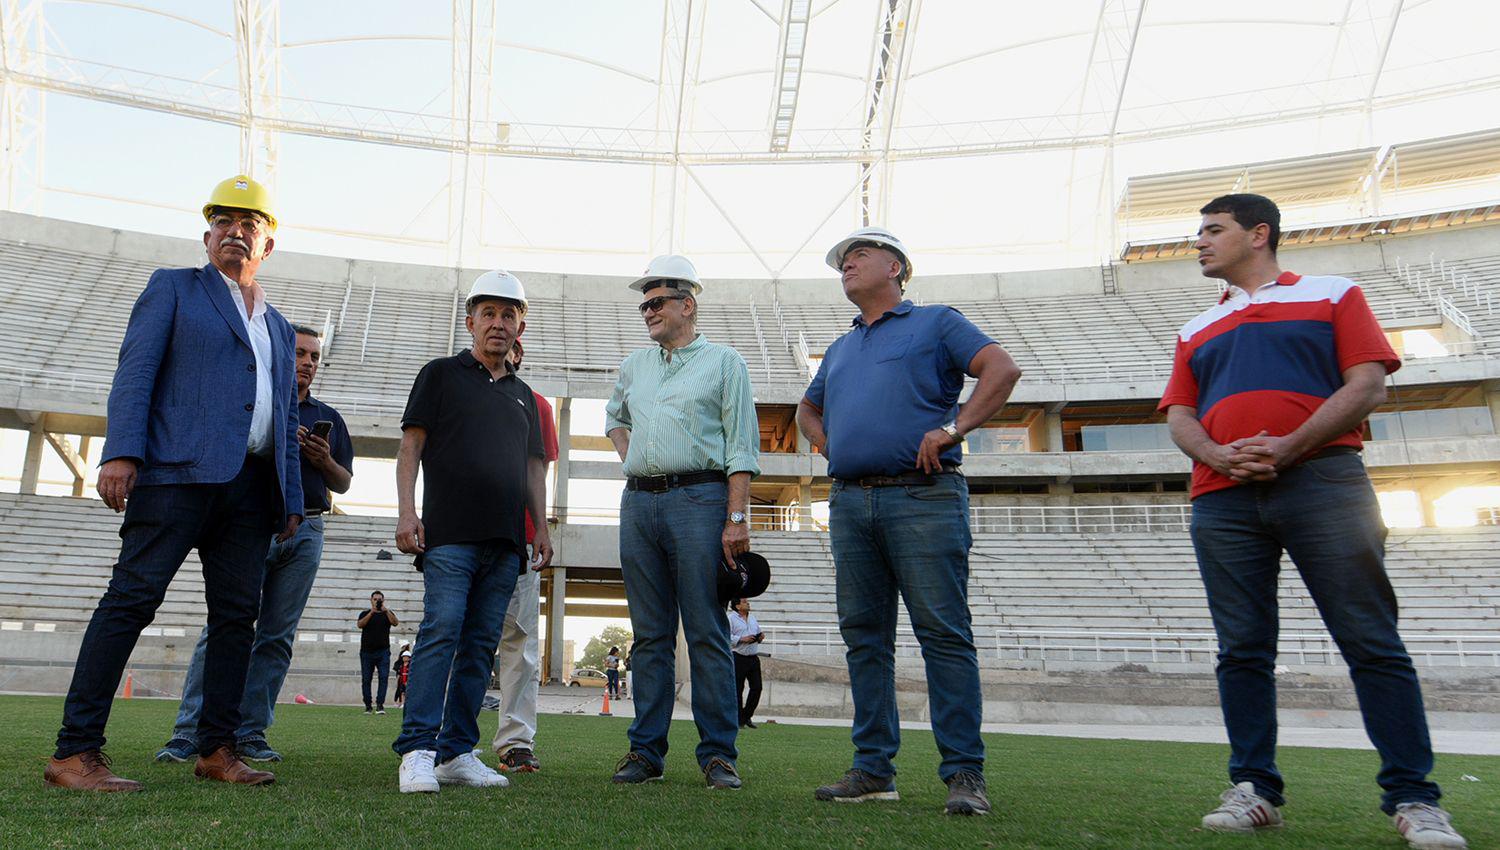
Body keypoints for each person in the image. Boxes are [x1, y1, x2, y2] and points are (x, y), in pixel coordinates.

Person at [1160, 194, 1468, 849]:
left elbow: (1366, 386)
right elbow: (1179, 414)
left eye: (1213, 230)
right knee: (1241, 649)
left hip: (1324, 482)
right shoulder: (1194, 327)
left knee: (1371, 641)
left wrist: (1288, 446)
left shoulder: (1334, 292)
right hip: (1222, 496)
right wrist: (1217, 454)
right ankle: (1254, 790)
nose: (1200, 242)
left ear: (1259, 233)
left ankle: (1414, 798)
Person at [44, 175, 303, 792]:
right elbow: (136, 371)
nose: (236, 232)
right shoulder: (173, 288)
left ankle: (218, 748)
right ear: (207, 233)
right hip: (172, 477)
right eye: (224, 222)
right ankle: (74, 752)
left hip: (249, 486)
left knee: (238, 619)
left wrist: (290, 495)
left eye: (250, 224)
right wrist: (121, 452)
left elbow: (286, 415)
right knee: (131, 602)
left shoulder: (281, 326)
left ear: (268, 243)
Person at [796, 226, 1021, 816]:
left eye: (858, 255)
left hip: (924, 497)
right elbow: (806, 407)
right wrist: (827, 442)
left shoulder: (938, 321)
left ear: (895, 266)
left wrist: (954, 428)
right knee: (864, 640)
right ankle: (873, 770)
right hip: (850, 502)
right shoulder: (842, 347)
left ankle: (964, 775)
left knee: (943, 636)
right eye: (842, 260)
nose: (846, 265)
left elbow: (1001, 368)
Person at [156, 325, 354, 763]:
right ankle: (190, 730)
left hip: (309, 529)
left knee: (276, 637)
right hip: (254, 524)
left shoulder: (329, 417)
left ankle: (249, 732)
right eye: (300, 353)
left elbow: (343, 482)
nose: (307, 363)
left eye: (315, 357)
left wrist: (324, 460)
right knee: (224, 627)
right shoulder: (256, 404)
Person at [392, 270, 552, 794]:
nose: (499, 324)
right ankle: (417, 749)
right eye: (489, 314)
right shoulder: (439, 374)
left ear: (520, 326)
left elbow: (533, 469)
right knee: (441, 632)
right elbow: (410, 447)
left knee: (481, 647)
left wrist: (542, 529)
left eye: (509, 315)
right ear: (471, 322)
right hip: (450, 535)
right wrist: (406, 512)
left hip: (506, 543)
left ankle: (456, 752)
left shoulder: (524, 396)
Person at [605, 254, 760, 790]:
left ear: (687, 305)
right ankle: (646, 751)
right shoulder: (634, 365)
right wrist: (632, 457)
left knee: (706, 631)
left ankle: (718, 754)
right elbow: (614, 419)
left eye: (656, 302)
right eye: (643, 304)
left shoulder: (725, 363)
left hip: (701, 498)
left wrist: (736, 516)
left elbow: (741, 448)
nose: (647, 311)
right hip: (638, 502)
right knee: (648, 635)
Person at [490, 337, 560, 774]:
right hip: (464, 538)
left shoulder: (538, 405)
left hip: (518, 539)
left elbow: (540, 473)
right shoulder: (461, 391)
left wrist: (540, 529)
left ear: (520, 353)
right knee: (457, 640)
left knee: (519, 642)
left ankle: (515, 740)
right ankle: (440, 735)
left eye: (516, 345)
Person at [358, 591, 399, 714]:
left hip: (383, 652)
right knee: (366, 679)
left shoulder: (387, 613)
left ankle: (380, 705)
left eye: (379, 599)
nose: (377, 601)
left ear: (383, 600)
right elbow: (360, 624)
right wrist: (372, 612)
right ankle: (368, 705)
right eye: (375, 599)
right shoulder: (365, 613)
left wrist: (385, 611)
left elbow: (395, 623)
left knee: (383, 678)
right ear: (371, 600)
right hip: (366, 652)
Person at [728, 599, 763, 729]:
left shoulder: (752, 618)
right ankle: (738, 719)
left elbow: (758, 631)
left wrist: (760, 637)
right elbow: (725, 635)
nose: (747, 603)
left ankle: (745, 716)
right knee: (738, 689)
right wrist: (741, 639)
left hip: (753, 657)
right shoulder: (731, 618)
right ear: (737, 606)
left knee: (757, 688)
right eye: (744, 602)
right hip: (739, 657)